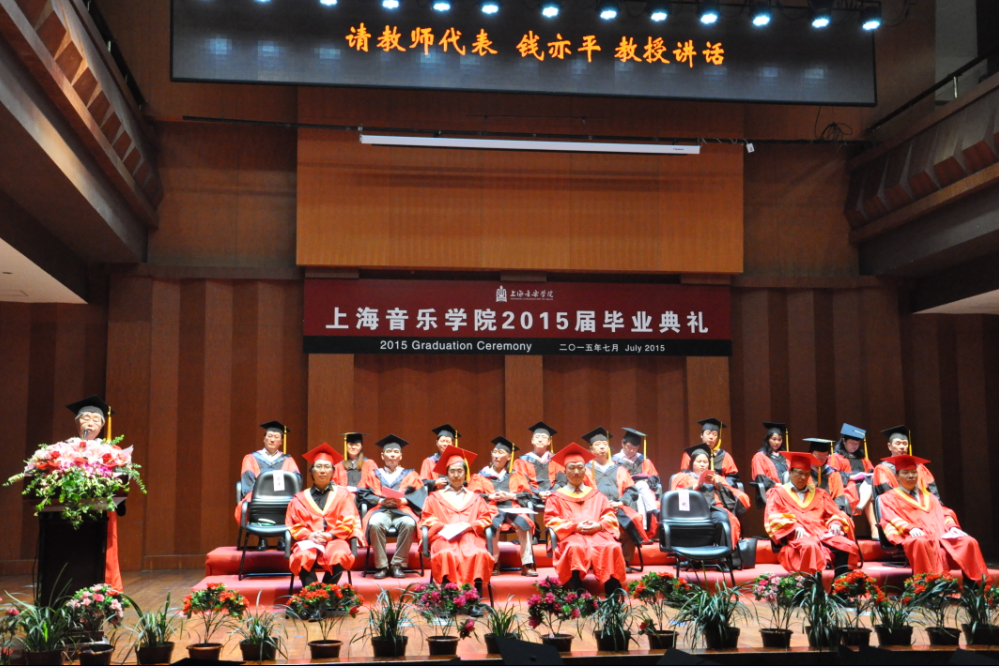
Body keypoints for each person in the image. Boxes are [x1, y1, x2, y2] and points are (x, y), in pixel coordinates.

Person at [876, 455, 987, 582]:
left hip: (939, 534)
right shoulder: (888, 498)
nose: (911, 476)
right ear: (896, 477)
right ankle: (927, 586)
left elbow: (944, 512)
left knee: (969, 542)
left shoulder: (929, 496)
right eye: (905, 473)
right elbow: (890, 517)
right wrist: (910, 528)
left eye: (913, 472)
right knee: (921, 542)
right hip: (912, 535)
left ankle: (975, 587)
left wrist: (952, 527)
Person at [544, 443, 627, 595]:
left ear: (585, 469)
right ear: (565, 470)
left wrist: (599, 525)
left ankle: (613, 598)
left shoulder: (596, 494)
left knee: (612, 547)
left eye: (580, 467)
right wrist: (574, 526)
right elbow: (551, 520)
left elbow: (609, 514)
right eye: (571, 468)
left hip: (598, 534)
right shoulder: (555, 497)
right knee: (575, 548)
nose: (576, 472)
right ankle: (576, 597)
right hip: (571, 536)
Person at [764, 451, 859, 576]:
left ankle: (839, 585)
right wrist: (794, 526)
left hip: (822, 533)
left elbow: (834, 512)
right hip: (798, 536)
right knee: (810, 547)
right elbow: (773, 515)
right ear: (790, 472)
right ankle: (811, 586)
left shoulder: (820, 493)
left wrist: (835, 522)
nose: (803, 477)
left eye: (806, 474)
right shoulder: (778, 493)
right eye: (799, 473)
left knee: (847, 545)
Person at [66, 396, 124, 591]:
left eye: (96, 420)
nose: (90, 423)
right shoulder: (64, 449)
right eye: (85, 418)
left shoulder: (111, 451)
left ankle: (107, 590)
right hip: (68, 508)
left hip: (102, 509)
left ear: (102, 426)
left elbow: (122, 479)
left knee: (104, 547)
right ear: (77, 423)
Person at [420, 446, 496, 591]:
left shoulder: (475, 498)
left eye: (460, 471)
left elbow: (486, 519)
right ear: (446, 474)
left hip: (470, 537)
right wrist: (443, 526)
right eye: (452, 471)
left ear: (465, 474)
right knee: (447, 554)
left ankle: (473, 596)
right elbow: (427, 518)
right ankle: (449, 594)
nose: (456, 475)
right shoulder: (434, 497)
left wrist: (470, 526)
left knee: (477, 553)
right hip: (443, 537)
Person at [285, 443, 361, 588]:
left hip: (335, 539)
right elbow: (294, 523)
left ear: (333, 472)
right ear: (311, 471)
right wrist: (309, 535)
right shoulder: (299, 498)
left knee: (339, 554)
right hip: (309, 540)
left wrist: (330, 535)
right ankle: (312, 594)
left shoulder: (343, 495)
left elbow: (348, 520)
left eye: (327, 467)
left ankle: (327, 592)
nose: (322, 471)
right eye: (318, 467)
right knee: (302, 555)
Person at [581, 427, 648, 572]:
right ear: (591, 449)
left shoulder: (619, 468)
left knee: (633, 519)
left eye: (604, 444)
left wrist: (620, 502)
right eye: (597, 444)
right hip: (595, 509)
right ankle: (596, 560)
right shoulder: (584, 469)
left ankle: (625, 560)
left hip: (618, 506)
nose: (602, 447)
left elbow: (631, 490)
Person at [468, 437, 538, 576]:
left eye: (500, 452)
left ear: (509, 457)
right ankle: (494, 562)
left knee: (526, 523)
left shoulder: (516, 475)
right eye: (494, 452)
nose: (496, 455)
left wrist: (512, 496)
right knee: (492, 524)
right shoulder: (481, 476)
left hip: (513, 509)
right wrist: (490, 497)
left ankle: (527, 564)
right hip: (491, 509)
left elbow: (528, 494)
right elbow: (472, 495)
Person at [358, 435, 423, 580]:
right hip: (381, 510)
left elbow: (420, 494)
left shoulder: (411, 474)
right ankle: (381, 566)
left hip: (402, 511)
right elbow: (363, 494)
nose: (392, 455)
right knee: (375, 523)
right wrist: (381, 501)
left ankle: (397, 565)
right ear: (382, 456)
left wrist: (403, 501)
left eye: (395, 452)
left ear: (401, 456)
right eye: (389, 451)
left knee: (409, 523)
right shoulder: (373, 474)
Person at [235, 421, 302, 550]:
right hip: (258, 496)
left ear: (281, 441)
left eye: (276, 437)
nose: (272, 440)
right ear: (264, 438)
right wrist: (260, 493)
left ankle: (283, 538)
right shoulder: (251, 458)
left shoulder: (287, 459)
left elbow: (296, 481)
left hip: (282, 497)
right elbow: (247, 479)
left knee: (294, 502)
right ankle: (262, 538)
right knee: (251, 502)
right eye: (269, 436)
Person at [670, 445, 750, 549]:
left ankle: (724, 553)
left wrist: (717, 484)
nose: (702, 465)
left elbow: (730, 494)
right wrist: (695, 486)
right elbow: (675, 497)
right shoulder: (682, 477)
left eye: (705, 462)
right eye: (699, 461)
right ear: (692, 463)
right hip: (691, 511)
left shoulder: (716, 478)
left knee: (724, 519)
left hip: (713, 510)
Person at [827, 423, 876, 537]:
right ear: (844, 441)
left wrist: (868, 475)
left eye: (857, 443)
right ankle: (848, 532)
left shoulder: (863, 459)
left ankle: (874, 529)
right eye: (851, 443)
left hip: (864, 488)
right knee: (855, 496)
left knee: (870, 488)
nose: (854, 446)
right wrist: (852, 477)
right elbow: (832, 475)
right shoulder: (835, 457)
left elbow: (872, 471)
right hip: (846, 489)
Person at [872, 426, 943, 500]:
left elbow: (932, 492)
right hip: (897, 504)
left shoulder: (919, 467)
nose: (902, 447)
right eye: (898, 443)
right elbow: (886, 493)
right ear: (889, 446)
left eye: (905, 443)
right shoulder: (882, 469)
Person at [613, 427, 661, 523]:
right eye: (629, 447)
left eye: (635, 448)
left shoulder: (643, 460)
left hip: (643, 491)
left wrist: (648, 481)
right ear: (622, 443)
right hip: (625, 492)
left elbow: (655, 477)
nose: (631, 451)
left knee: (641, 489)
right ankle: (651, 514)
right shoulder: (614, 460)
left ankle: (644, 525)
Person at [514, 422, 566, 502]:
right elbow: (522, 482)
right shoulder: (522, 461)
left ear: (549, 441)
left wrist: (551, 492)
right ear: (532, 440)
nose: (540, 440)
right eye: (537, 437)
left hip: (554, 497)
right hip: (530, 498)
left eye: (544, 437)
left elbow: (561, 481)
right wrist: (537, 493)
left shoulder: (556, 460)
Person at [679, 418, 739, 485]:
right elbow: (684, 474)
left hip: (718, 488)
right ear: (701, 435)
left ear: (718, 438)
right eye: (708, 433)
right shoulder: (690, 454)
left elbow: (732, 476)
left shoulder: (724, 456)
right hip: (695, 487)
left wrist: (723, 487)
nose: (711, 437)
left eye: (714, 434)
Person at [802, 439, 851, 515]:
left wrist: (834, 512)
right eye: (818, 456)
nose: (821, 460)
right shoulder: (803, 473)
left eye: (824, 456)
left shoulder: (833, 473)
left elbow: (839, 497)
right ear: (810, 454)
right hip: (808, 511)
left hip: (830, 511)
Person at [750, 422, 789, 507]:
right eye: (774, 439)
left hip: (787, 489)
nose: (777, 442)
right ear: (768, 439)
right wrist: (776, 485)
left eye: (779, 439)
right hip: (771, 490)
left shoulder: (785, 456)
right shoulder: (760, 456)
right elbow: (760, 477)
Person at [420, 424, 460, 492]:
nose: (445, 444)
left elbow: (464, 481)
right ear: (437, 442)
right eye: (442, 441)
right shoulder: (429, 461)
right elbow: (422, 481)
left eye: (448, 442)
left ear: (452, 444)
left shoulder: (458, 461)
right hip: (435, 495)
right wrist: (435, 482)